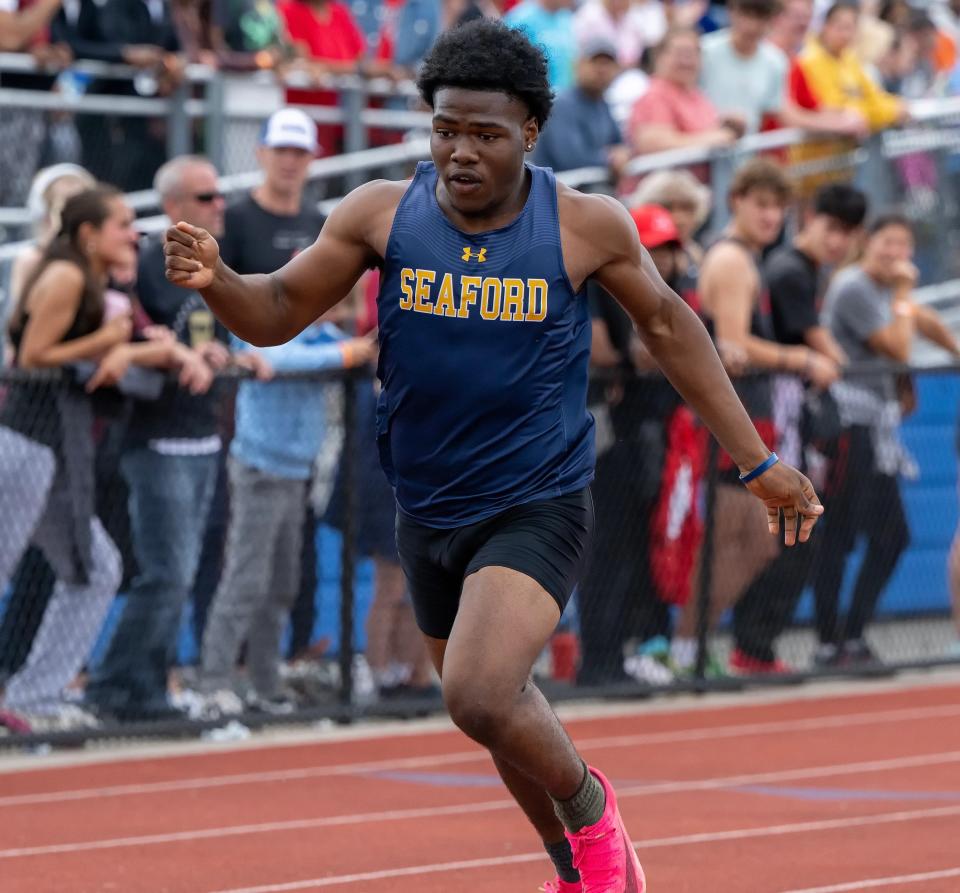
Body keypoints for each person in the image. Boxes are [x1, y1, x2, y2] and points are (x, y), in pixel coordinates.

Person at [163, 20, 822, 890]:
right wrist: (218, 280)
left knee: (477, 690)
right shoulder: (379, 213)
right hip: (426, 503)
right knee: (496, 711)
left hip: (536, 499)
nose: (461, 151)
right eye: (446, 130)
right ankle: (572, 870)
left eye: (485, 133)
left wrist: (756, 457)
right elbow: (279, 308)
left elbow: (670, 327)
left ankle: (593, 814)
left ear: (531, 133)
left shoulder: (584, 225)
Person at [0, 186, 207, 732]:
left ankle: (34, 697)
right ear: (89, 234)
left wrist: (121, 345)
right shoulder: (66, 275)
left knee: (99, 571)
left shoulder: (95, 282)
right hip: (25, 443)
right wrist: (108, 342)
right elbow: (31, 356)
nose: (133, 233)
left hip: (57, 450)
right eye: (120, 224)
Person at [83, 157, 241, 723]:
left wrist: (217, 352)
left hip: (200, 437)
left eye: (219, 195)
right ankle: (116, 686)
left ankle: (145, 686)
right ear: (173, 206)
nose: (218, 204)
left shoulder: (208, 264)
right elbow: (138, 331)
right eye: (205, 197)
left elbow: (209, 332)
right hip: (156, 438)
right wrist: (183, 355)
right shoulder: (149, 260)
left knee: (182, 570)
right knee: (166, 573)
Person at [669, 158, 839, 678]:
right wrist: (802, 359)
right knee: (738, 537)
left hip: (744, 415)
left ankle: (692, 644)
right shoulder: (733, 261)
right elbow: (734, 346)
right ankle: (685, 647)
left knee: (755, 540)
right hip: (730, 418)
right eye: (760, 205)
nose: (770, 217)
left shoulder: (744, 259)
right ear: (735, 202)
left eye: (778, 208)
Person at [731, 183, 867, 673]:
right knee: (790, 530)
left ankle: (752, 645)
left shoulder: (804, 269)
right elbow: (825, 349)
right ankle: (750, 644)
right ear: (810, 217)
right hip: (782, 422)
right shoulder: (789, 269)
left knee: (796, 531)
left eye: (847, 233)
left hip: (791, 421)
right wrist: (816, 358)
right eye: (831, 227)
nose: (837, 241)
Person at [814, 213, 959, 666]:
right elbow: (897, 348)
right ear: (868, 243)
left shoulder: (886, 292)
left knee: (891, 535)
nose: (897, 253)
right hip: (847, 426)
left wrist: (955, 351)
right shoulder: (855, 285)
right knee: (838, 536)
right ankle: (828, 641)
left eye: (905, 245)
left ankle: (851, 635)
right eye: (888, 242)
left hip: (875, 431)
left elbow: (922, 320)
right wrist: (901, 293)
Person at [531, 38, 630, 178]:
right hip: (560, 191)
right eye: (595, 62)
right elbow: (570, 159)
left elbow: (619, 144)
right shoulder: (561, 105)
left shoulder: (602, 104)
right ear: (578, 65)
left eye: (607, 64)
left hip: (590, 189)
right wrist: (610, 159)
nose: (601, 70)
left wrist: (622, 153)